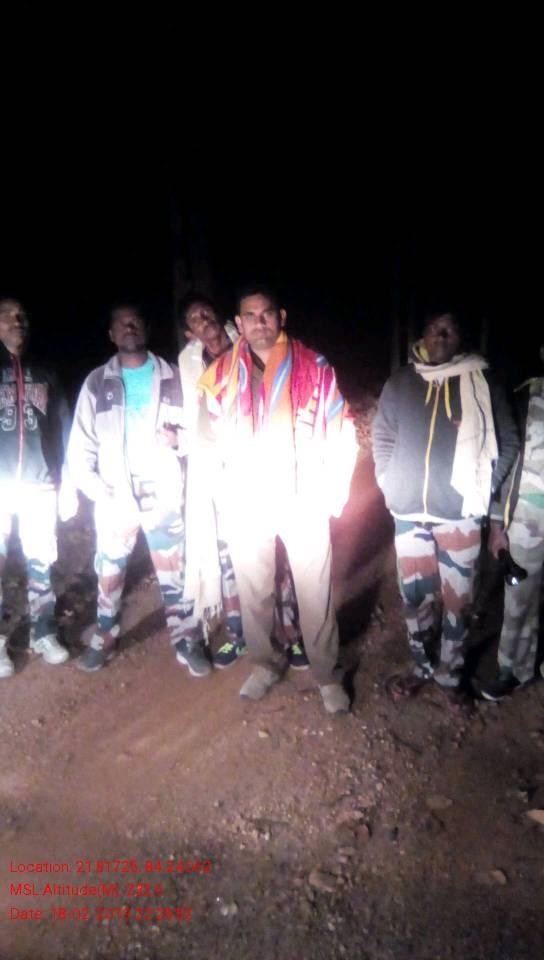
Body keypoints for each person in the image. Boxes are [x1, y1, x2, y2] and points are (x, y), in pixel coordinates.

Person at [197, 285, 358, 713]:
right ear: (239, 323)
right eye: (250, 316)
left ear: (281, 316)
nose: (259, 322)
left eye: (266, 313)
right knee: (253, 592)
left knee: (315, 592)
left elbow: (342, 429)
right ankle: (264, 664)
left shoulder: (314, 367)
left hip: (303, 498)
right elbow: (207, 443)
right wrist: (223, 496)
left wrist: (332, 494)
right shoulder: (219, 376)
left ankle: (327, 675)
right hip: (248, 500)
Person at [372, 306, 518, 712]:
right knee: (415, 599)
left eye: (450, 330)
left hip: (460, 516)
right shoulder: (401, 382)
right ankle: (421, 667)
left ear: (461, 338)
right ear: (423, 334)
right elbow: (382, 436)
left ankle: (450, 675)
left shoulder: (483, 381)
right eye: (435, 327)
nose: (441, 335)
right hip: (409, 515)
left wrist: (482, 490)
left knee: (459, 602)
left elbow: (508, 442)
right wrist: (388, 480)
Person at [66, 303, 209, 676]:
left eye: (134, 322)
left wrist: (180, 440)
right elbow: (80, 446)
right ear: (111, 335)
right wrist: (100, 491)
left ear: (146, 328)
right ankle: (104, 636)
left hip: (163, 495)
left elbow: (200, 433)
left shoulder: (174, 376)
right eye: (120, 324)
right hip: (115, 497)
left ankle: (186, 639)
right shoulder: (97, 383)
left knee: (175, 574)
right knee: (109, 572)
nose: (128, 328)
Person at [179, 293, 307, 669]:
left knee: (276, 558)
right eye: (195, 318)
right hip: (220, 479)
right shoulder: (189, 365)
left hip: (264, 470)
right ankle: (241, 637)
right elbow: (193, 422)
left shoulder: (251, 345)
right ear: (189, 332)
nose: (205, 320)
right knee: (231, 563)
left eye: (207, 312)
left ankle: (292, 635)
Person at [0, 298, 70, 678]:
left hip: (39, 481)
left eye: (22, 316)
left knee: (41, 560)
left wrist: (68, 476)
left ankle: (43, 631)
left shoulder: (45, 371)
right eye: (8, 316)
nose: (17, 321)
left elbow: (61, 422)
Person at [480, 349, 544, 699]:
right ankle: (514, 670)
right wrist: (496, 522)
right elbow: (501, 460)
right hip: (526, 519)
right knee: (520, 599)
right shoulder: (522, 395)